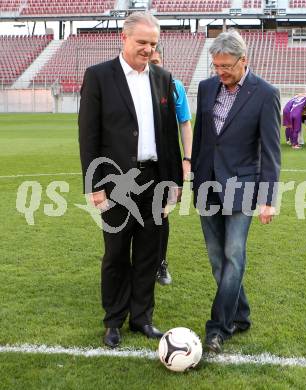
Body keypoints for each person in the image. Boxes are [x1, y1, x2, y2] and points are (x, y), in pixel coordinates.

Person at [78, 12, 183, 348]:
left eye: (153, 44)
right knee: (116, 253)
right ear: (123, 38)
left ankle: (142, 318)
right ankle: (113, 321)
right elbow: (88, 135)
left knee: (149, 254)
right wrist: (94, 184)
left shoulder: (163, 78)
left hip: (154, 180)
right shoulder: (98, 77)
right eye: (142, 42)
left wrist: (174, 183)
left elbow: (169, 137)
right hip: (115, 182)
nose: (148, 49)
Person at [192, 30, 281, 353]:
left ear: (244, 61)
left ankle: (218, 328)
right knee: (218, 260)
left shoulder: (265, 93)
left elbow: (271, 152)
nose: (220, 72)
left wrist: (268, 199)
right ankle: (240, 314)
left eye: (226, 66)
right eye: (216, 66)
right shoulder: (205, 88)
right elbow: (203, 137)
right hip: (207, 186)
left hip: (242, 187)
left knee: (233, 254)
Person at [149, 44, 193, 286]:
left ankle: (160, 264)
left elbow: (185, 124)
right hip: (136, 166)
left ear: (162, 63)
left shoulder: (174, 87)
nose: (152, 67)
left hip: (166, 164)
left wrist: (187, 159)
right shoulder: (134, 88)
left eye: (156, 63)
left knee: (161, 214)